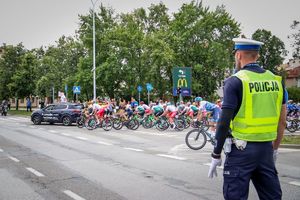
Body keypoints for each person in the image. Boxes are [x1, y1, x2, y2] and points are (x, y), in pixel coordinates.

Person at [208, 38, 286, 200]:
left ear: (238, 55)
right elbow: (282, 121)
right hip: (266, 150)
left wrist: (216, 154)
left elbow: (223, 122)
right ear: (256, 56)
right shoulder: (276, 81)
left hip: (240, 151)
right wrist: (275, 149)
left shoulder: (235, 81)